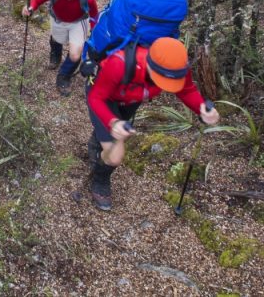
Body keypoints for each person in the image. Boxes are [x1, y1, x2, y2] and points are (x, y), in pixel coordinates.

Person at [85, 37, 219, 211]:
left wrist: (201, 108)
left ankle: (96, 144)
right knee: (115, 155)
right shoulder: (119, 63)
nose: (165, 85)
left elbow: (186, 90)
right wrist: (113, 122)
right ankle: (100, 180)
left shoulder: (178, 67)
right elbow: (96, 97)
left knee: (109, 137)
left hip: (132, 99)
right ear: (150, 64)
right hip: (105, 98)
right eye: (162, 79)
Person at [23, 0, 99, 96]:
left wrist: (94, 32)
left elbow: (94, 16)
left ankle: (64, 75)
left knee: (75, 55)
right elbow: (37, 0)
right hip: (58, 20)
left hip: (78, 22)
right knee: (57, 39)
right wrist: (30, 8)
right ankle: (55, 55)